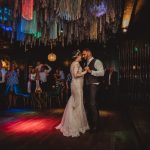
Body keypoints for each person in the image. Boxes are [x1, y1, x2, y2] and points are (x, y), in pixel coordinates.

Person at [56, 49, 89, 137]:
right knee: (78, 104)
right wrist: (85, 71)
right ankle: (76, 125)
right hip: (77, 86)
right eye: (80, 55)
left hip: (76, 85)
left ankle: (74, 123)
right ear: (77, 56)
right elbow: (75, 75)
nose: (82, 56)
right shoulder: (76, 64)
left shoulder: (74, 64)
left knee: (74, 103)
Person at [82, 48, 104, 132]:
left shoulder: (97, 61)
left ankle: (95, 126)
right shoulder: (86, 62)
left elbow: (102, 73)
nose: (83, 56)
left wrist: (90, 71)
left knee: (92, 104)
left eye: (84, 54)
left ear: (89, 53)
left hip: (94, 84)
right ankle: (92, 124)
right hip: (87, 85)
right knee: (88, 104)